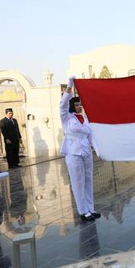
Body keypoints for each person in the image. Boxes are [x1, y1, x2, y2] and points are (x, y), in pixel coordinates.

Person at [60, 76, 100, 221]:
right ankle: (83, 211)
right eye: (77, 104)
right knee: (78, 182)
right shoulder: (67, 118)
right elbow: (63, 104)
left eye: (80, 104)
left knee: (88, 180)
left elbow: (91, 136)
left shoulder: (85, 119)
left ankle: (91, 208)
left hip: (86, 152)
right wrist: (70, 84)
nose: (79, 106)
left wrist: (97, 149)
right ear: (72, 106)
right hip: (73, 153)